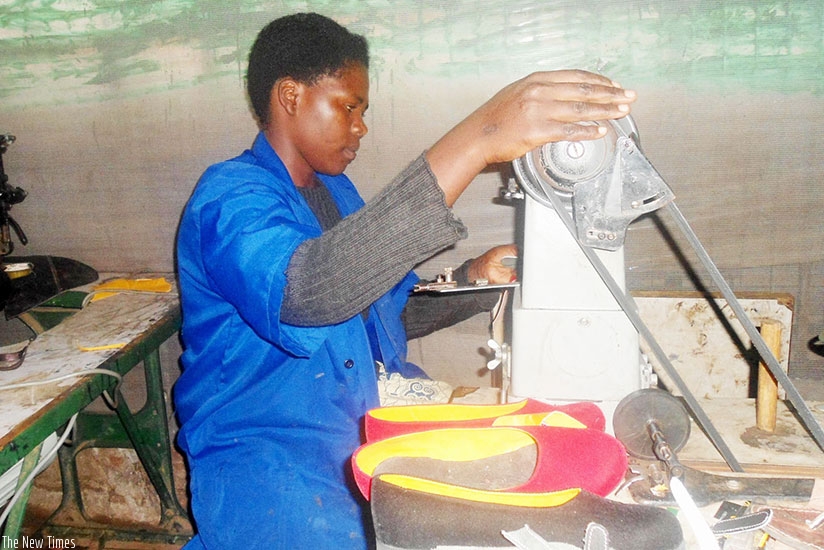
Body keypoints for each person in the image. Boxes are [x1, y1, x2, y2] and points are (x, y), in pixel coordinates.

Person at [174, 12, 636, 550]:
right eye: (349, 106)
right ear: (291, 97)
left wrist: (474, 277)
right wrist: (479, 137)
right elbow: (308, 292)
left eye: (363, 111)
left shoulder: (337, 193)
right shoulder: (230, 198)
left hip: (357, 426)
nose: (361, 127)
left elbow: (381, 310)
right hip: (269, 452)